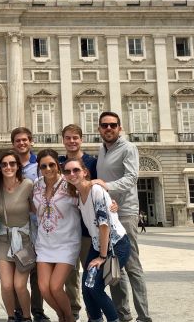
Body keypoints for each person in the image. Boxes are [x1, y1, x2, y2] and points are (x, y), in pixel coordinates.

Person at [94, 112, 152, 322]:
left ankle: (144, 317)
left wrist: (106, 187)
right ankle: (123, 315)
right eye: (104, 125)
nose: (108, 128)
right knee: (115, 266)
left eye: (112, 125)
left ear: (119, 127)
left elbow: (131, 178)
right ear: (99, 128)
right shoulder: (102, 150)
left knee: (133, 266)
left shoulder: (128, 148)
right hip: (109, 214)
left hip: (125, 212)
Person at [63, 158, 131, 322]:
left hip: (115, 244)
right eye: (67, 171)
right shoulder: (79, 195)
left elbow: (104, 224)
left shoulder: (96, 191)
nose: (72, 174)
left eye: (76, 170)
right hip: (97, 244)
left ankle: (113, 319)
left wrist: (101, 257)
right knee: (87, 288)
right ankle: (95, 319)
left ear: (85, 172)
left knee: (95, 287)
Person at [32, 149, 80, 322]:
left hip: (67, 242)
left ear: (58, 165)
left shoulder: (70, 184)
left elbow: (90, 195)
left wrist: (110, 204)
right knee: (44, 289)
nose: (48, 169)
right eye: (43, 166)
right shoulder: (36, 185)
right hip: (44, 243)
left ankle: (68, 317)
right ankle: (62, 316)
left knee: (56, 287)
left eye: (51, 164)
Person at [59, 124, 98, 321]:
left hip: (86, 229)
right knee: (70, 276)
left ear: (81, 139)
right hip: (66, 229)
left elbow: (99, 188)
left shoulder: (92, 162)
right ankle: (73, 311)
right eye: (68, 138)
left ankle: (93, 313)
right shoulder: (58, 163)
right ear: (63, 140)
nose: (72, 141)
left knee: (90, 275)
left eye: (75, 137)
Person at [0, 151, 34, 322]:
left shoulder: (28, 185)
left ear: (18, 166)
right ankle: (10, 317)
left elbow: (40, 207)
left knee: (20, 285)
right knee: (7, 285)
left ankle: (26, 316)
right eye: (4, 164)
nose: (8, 167)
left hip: (23, 240)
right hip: (3, 239)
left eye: (12, 164)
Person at [11, 127, 49, 322]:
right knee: (18, 266)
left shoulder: (40, 166)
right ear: (13, 144)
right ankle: (19, 310)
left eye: (24, 140)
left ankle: (37, 310)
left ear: (31, 141)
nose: (21, 143)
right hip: (18, 225)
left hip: (39, 224)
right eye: (18, 141)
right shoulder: (10, 166)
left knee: (36, 269)